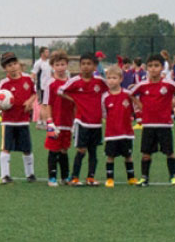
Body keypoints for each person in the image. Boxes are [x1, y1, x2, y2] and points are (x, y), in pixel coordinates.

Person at [130, 54, 175, 186]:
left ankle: (173, 176)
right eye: (150, 66)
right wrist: (141, 107)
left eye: (156, 66)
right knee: (146, 153)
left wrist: (173, 104)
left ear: (162, 67)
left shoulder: (168, 84)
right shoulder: (142, 85)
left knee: (169, 152)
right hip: (148, 125)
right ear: (147, 68)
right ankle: (144, 178)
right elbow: (131, 94)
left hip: (164, 125)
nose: (153, 69)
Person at [58, 53, 109, 186]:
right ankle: (74, 177)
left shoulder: (100, 82)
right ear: (80, 66)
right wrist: (74, 99)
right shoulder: (75, 81)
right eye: (83, 64)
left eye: (89, 64)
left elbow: (110, 90)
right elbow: (60, 91)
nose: (86, 67)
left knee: (93, 151)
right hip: (81, 121)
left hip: (96, 123)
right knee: (81, 150)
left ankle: (90, 177)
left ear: (95, 66)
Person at [0, 52, 36, 184]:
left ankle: (30, 174)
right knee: (6, 148)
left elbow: (34, 93)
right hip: (8, 121)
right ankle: (5, 176)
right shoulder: (3, 84)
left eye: (15, 63)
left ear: (19, 64)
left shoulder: (28, 79)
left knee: (27, 149)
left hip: (23, 121)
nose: (13, 67)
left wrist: (30, 102)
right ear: (5, 69)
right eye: (9, 65)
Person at [41, 50, 76, 187]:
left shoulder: (71, 83)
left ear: (67, 65)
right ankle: (52, 177)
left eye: (63, 64)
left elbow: (74, 104)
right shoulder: (50, 84)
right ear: (53, 66)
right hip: (55, 123)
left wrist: (74, 122)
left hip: (67, 123)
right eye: (57, 65)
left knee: (64, 149)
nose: (60, 67)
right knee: (53, 149)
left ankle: (65, 176)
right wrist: (49, 122)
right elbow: (46, 104)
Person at [101, 66, 139, 188]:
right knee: (110, 156)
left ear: (121, 79)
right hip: (111, 133)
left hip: (126, 132)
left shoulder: (128, 94)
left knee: (128, 156)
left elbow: (135, 108)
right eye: (109, 78)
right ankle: (110, 179)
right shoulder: (105, 97)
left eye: (114, 78)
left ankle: (131, 177)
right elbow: (104, 113)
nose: (111, 80)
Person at [31, 47, 51, 129]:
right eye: (46, 52)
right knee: (44, 104)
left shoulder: (49, 62)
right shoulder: (38, 63)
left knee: (46, 104)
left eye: (48, 52)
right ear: (42, 53)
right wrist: (33, 85)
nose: (48, 53)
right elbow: (33, 74)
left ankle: (40, 122)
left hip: (48, 87)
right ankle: (44, 122)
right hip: (41, 87)